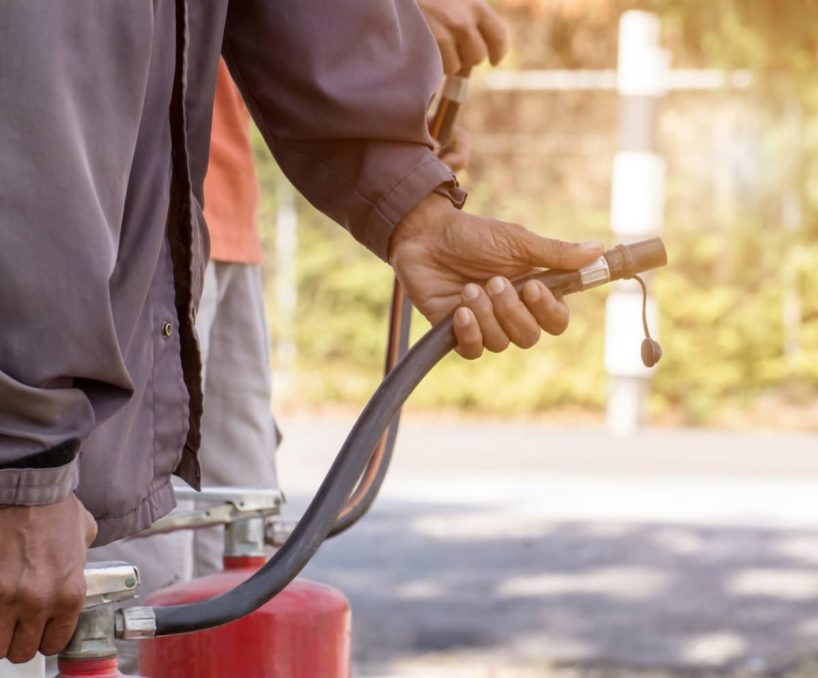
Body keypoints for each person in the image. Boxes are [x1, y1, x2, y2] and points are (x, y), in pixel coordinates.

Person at [0, 0, 602, 666]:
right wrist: (20, 460)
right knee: (97, 603)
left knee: (195, 603)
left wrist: (404, 197)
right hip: (76, 279)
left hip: (175, 226)